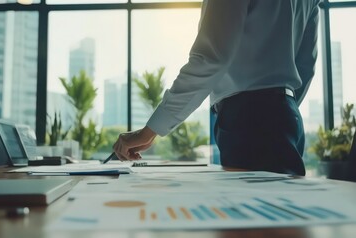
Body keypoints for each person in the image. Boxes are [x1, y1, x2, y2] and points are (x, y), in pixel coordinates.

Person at [112, 0, 320, 176]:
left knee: (252, 220)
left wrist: (151, 130)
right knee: (283, 217)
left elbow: (211, 59)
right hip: (287, 116)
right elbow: (305, 66)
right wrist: (280, 107)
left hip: (248, 121)